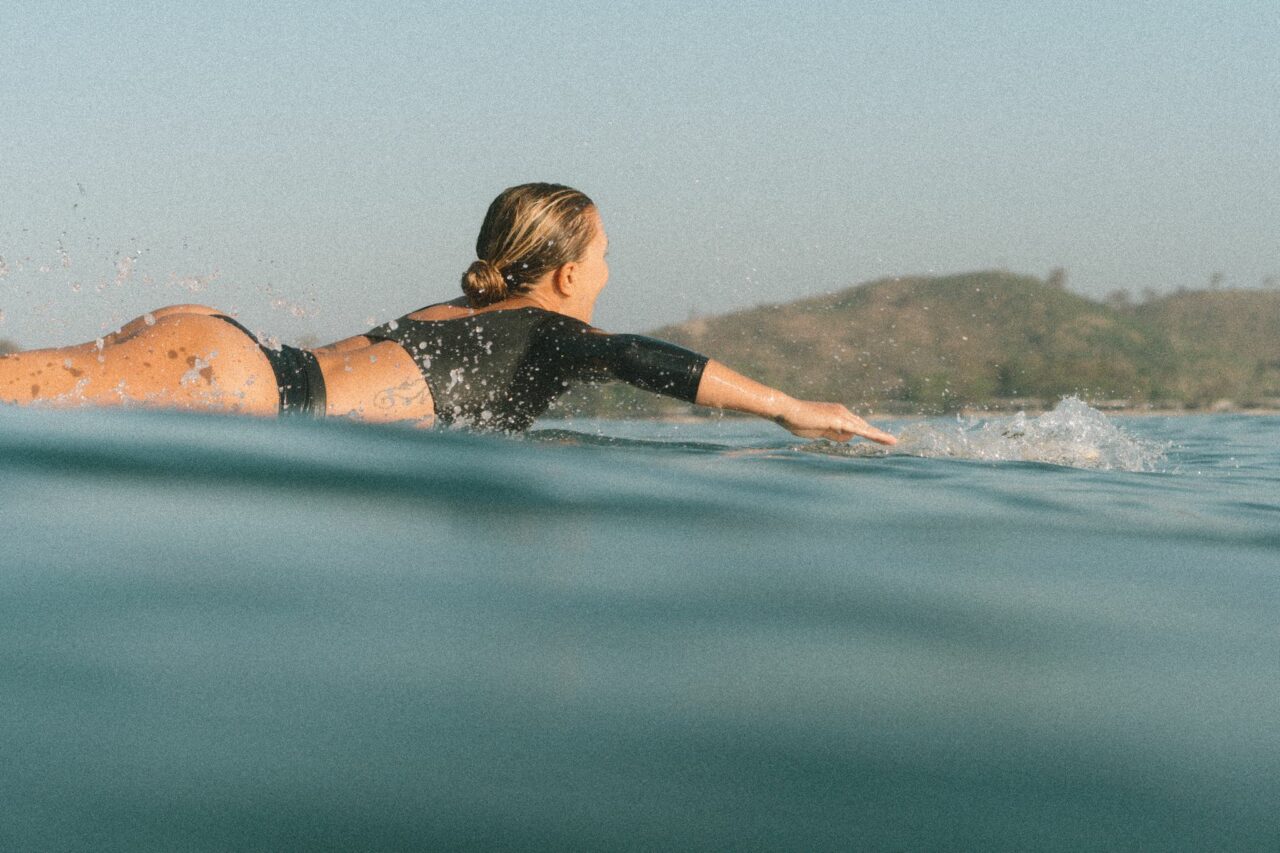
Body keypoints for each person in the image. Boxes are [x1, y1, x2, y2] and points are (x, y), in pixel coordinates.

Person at [0, 183, 895, 445]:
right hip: (238, 387)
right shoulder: (550, 331)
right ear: (566, 274)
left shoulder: (460, 312)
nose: (611, 271)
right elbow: (643, 359)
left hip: (219, 354)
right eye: (605, 256)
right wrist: (786, 406)